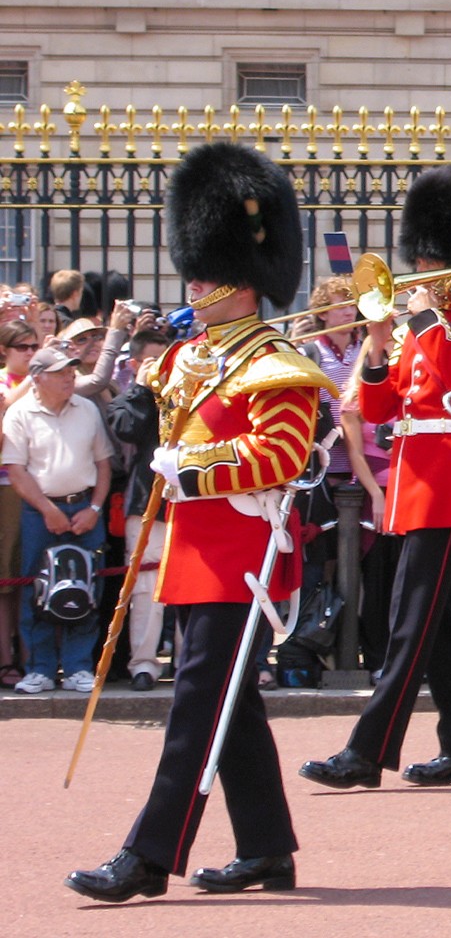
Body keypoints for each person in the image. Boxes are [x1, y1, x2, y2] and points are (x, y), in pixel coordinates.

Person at [65, 141, 332, 902]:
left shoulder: (276, 362)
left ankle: (150, 855)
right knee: (229, 705)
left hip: (241, 556)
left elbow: (280, 453)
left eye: (207, 272)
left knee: (195, 709)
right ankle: (268, 850)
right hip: (195, 550)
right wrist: (143, 405)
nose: (194, 282)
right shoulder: (189, 358)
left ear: (244, 283)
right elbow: (137, 424)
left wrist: (192, 464)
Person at [300, 166, 451, 790]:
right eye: (417, 259)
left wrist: (420, 325)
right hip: (410, 475)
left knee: (409, 619)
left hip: (447, 477)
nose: (419, 271)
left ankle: (367, 752)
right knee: (437, 621)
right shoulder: (420, 327)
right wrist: (376, 338)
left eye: (429, 260)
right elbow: (387, 406)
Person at [3, 345, 112, 694]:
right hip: (39, 512)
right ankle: (40, 668)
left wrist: (94, 508)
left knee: (87, 587)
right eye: (62, 372)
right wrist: (47, 509)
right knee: (37, 590)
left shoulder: (87, 410)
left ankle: (79, 666)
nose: (70, 377)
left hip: (84, 507)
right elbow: (16, 471)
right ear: (38, 377)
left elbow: (103, 464)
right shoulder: (19, 413)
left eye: (71, 371)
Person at [105, 329, 178, 692]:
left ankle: (187, 660)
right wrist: (142, 386)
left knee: (189, 585)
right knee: (146, 585)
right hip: (145, 500)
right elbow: (127, 427)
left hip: (188, 499)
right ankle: (144, 664)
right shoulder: (131, 398)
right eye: (154, 361)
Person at [0, 319, 41, 688]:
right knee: (6, 581)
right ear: (5, 350)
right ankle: (6, 658)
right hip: (6, 487)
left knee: (30, 577)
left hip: (42, 486)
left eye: (34, 347)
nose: (30, 354)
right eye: (22, 348)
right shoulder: (5, 382)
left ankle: (35, 658)